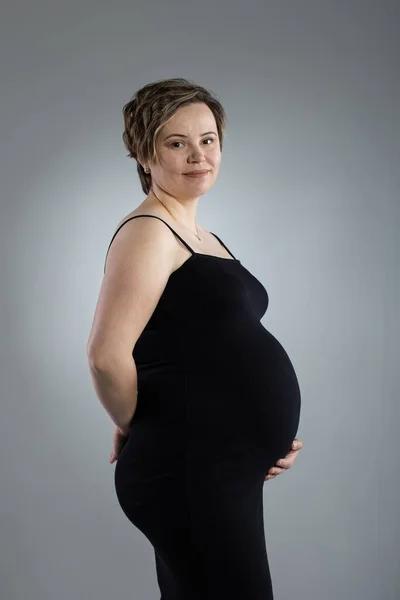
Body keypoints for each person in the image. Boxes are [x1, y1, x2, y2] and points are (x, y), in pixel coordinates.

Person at [87, 77, 303, 599]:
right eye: (176, 142)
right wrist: (135, 422)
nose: (197, 155)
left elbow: (208, 353)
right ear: (144, 154)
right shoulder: (149, 231)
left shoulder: (199, 235)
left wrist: (261, 441)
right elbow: (106, 357)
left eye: (207, 139)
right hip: (189, 473)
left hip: (218, 471)